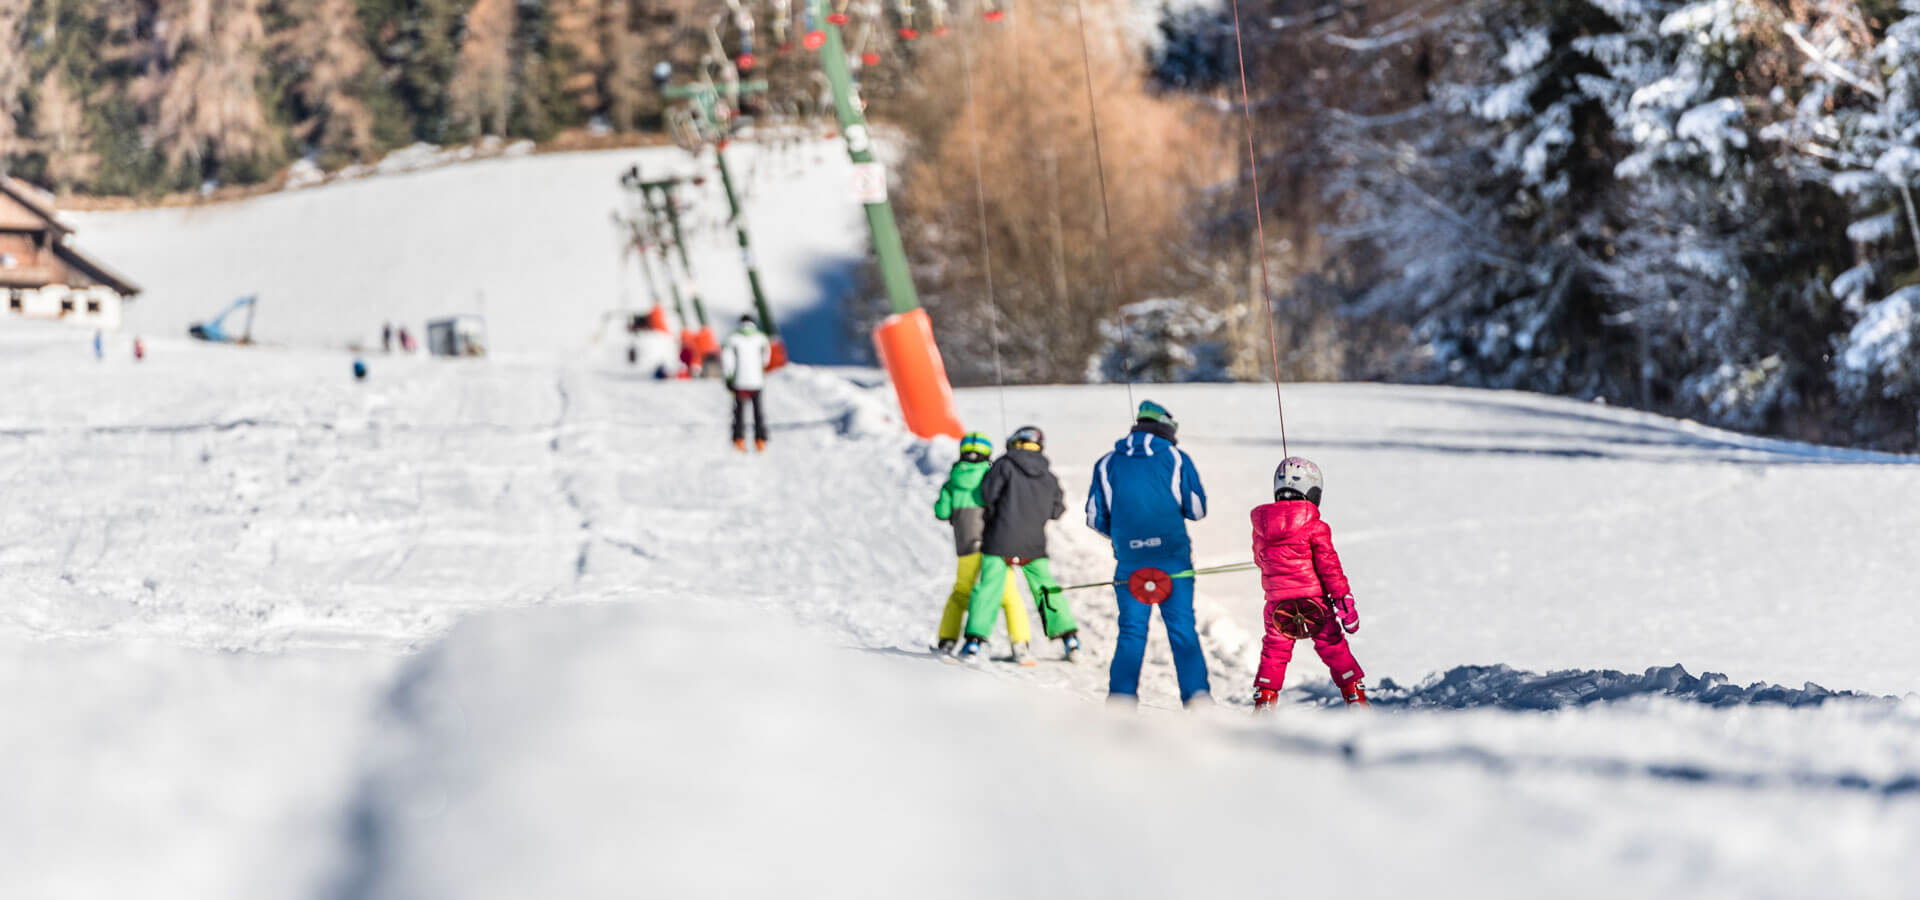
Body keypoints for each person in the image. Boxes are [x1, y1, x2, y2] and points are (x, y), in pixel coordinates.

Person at [1086, 400, 1212, 707]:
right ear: (1166, 426)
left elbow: (1093, 516)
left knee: (1131, 631)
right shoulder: (1176, 457)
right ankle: (1198, 701)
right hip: (1173, 560)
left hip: (1130, 563)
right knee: (1182, 629)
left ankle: (1120, 702)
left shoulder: (1106, 463)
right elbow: (1196, 509)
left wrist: (1123, 536)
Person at [1250, 457, 1367, 710]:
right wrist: (1344, 601)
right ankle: (1354, 694)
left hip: (1279, 605)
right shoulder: (1316, 527)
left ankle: (1265, 700)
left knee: (1274, 651)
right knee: (1332, 645)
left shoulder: (1261, 526)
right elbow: (1329, 568)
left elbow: (1260, 560)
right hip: (1315, 604)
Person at [959, 425, 1080, 661]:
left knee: (989, 590)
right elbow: (1057, 510)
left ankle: (973, 643)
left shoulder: (1004, 465)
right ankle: (1070, 640)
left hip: (1000, 539)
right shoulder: (1048, 474)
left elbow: (987, 495)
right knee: (1046, 589)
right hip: (1033, 543)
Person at [932, 432, 1033, 664]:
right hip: (995, 545)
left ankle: (947, 640)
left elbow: (941, 512)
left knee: (961, 592)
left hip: (966, 544)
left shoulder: (952, 482)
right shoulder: (992, 477)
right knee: (1008, 595)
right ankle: (1020, 644)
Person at [721, 314, 772, 452]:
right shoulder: (761, 337)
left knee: (739, 412)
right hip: (756, 381)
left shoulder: (732, 338)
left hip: (740, 381)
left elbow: (727, 360)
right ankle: (760, 440)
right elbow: (766, 359)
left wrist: (728, 377)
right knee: (758, 412)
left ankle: (739, 439)